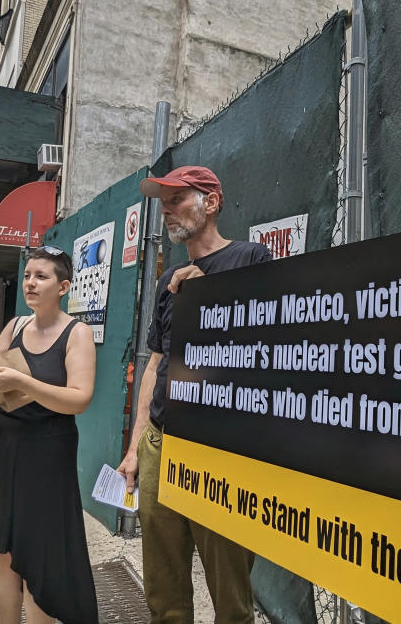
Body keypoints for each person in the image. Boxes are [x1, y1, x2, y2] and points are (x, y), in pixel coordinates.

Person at [116, 166, 271, 623]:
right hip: (161, 445)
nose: (166, 209)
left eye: (178, 198)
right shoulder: (170, 281)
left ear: (212, 202)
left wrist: (214, 295)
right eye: (163, 201)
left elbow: (272, 348)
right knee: (164, 592)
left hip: (222, 452)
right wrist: (135, 447)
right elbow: (157, 362)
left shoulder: (251, 259)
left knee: (231, 594)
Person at [0, 247, 98, 624]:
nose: (30, 283)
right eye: (27, 275)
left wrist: (24, 381)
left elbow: (79, 400)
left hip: (47, 452)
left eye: (41, 276)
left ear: (63, 286)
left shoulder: (77, 333)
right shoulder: (15, 326)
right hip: (1, 448)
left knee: (38, 555)